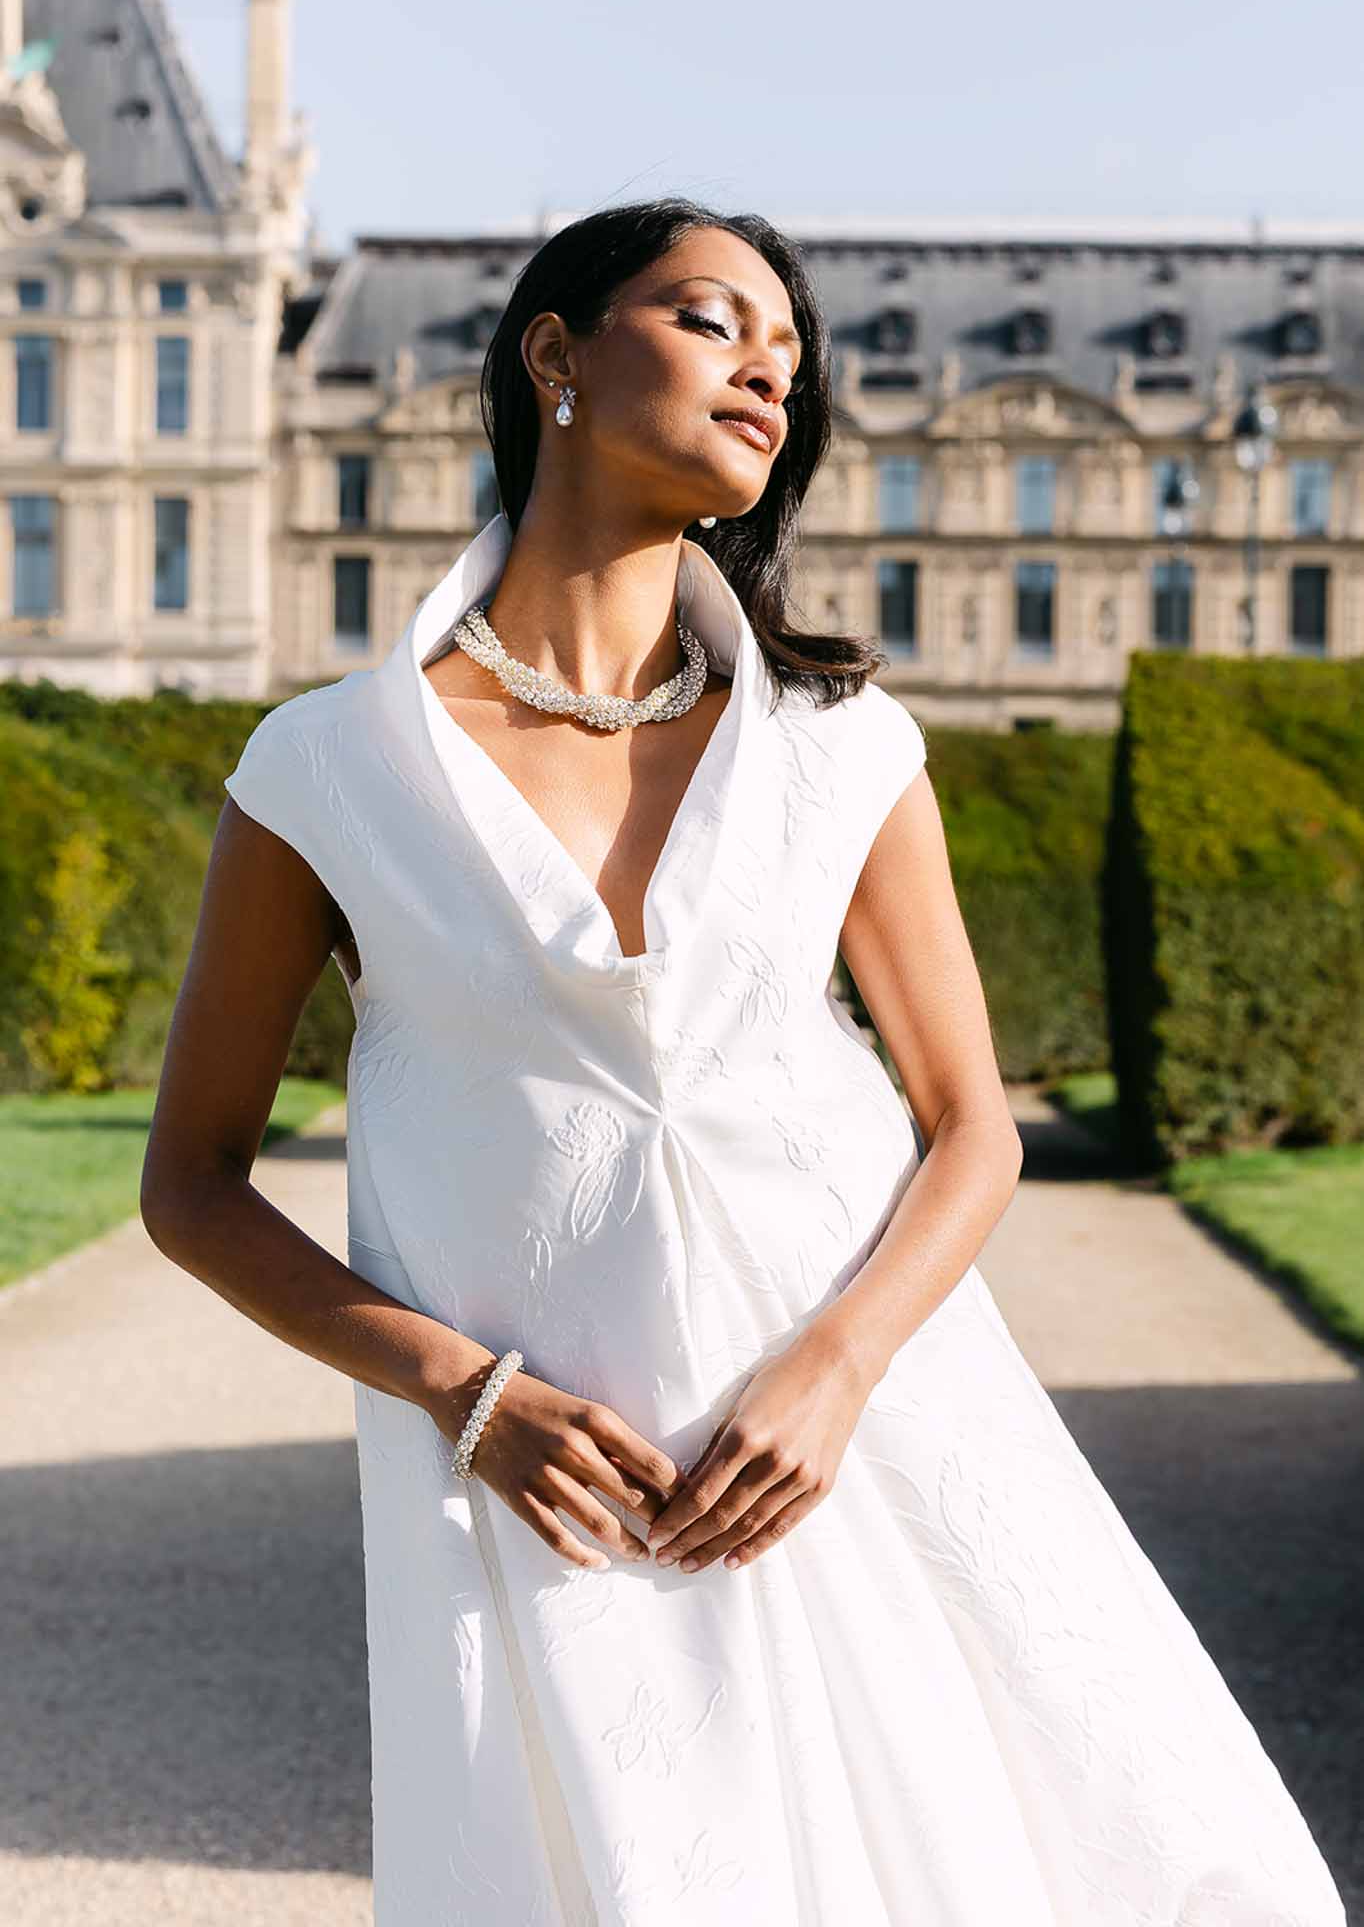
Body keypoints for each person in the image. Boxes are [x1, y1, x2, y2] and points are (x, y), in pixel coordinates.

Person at [141, 197, 1347, 1925]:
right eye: (714, 324)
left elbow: (965, 1128)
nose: (766, 378)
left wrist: (838, 1376)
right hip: (546, 1481)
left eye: (790, 359)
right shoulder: (326, 764)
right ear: (553, 353)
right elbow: (187, 1185)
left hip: (866, 1430)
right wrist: (460, 1394)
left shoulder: (842, 741)